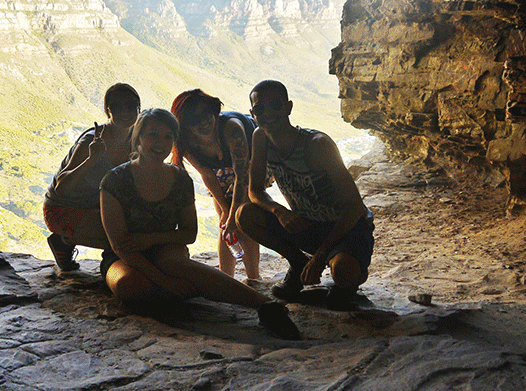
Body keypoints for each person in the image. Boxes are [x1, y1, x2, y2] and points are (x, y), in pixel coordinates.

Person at [99, 108, 299, 339]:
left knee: (173, 263)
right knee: (129, 285)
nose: (159, 143)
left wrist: (149, 240)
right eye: (152, 134)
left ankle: (267, 306)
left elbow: (189, 234)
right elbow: (119, 245)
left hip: (167, 251)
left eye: (167, 137)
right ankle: (181, 288)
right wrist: (163, 279)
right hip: (123, 257)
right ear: (138, 136)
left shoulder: (179, 178)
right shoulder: (114, 181)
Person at [236, 80, 374, 311]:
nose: (268, 113)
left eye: (275, 105)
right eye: (260, 109)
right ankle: (298, 263)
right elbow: (255, 191)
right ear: (252, 114)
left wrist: (320, 257)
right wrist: (280, 212)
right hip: (307, 225)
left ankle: (347, 272)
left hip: (345, 229)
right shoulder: (260, 138)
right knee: (245, 215)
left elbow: (354, 207)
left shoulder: (317, 145)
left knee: (344, 275)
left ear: (289, 107)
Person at [43, 83, 141, 271]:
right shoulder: (91, 140)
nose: (125, 111)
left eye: (131, 105)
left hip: (99, 206)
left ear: (139, 108)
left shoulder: (136, 140)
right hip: (63, 209)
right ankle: (63, 240)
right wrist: (91, 159)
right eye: (117, 107)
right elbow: (61, 189)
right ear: (108, 110)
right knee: (125, 239)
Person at [170, 89, 261, 280]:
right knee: (225, 222)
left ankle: (254, 278)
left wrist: (234, 212)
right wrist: (225, 209)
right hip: (224, 172)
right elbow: (207, 174)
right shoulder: (184, 141)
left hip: (253, 161)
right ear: (185, 124)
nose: (203, 121)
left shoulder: (232, 129)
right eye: (194, 119)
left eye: (206, 113)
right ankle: (226, 278)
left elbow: (242, 175)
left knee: (243, 217)